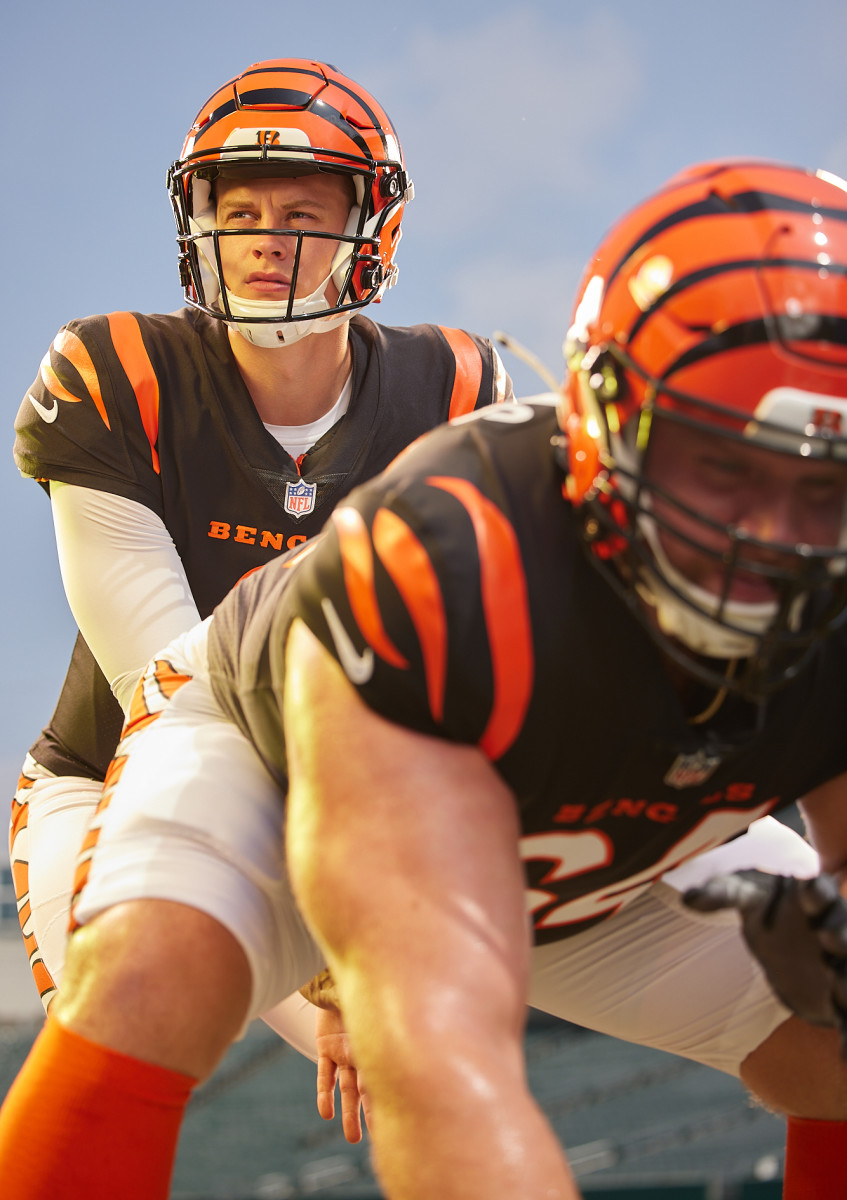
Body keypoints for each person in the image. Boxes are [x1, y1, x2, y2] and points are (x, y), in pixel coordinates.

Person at [3, 158, 847, 1199]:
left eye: (826, 485)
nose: (773, 539)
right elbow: (436, 1069)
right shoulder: (455, 561)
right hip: (293, 764)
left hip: (605, 814)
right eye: (722, 466)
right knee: (151, 983)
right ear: (603, 423)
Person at [7, 56, 511, 1048]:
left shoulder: (451, 391)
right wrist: (311, 987)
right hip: (119, 770)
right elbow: (173, 693)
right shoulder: (116, 375)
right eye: (239, 215)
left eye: (302, 215)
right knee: (114, 1028)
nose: (263, 245)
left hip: (361, 788)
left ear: (372, 229)